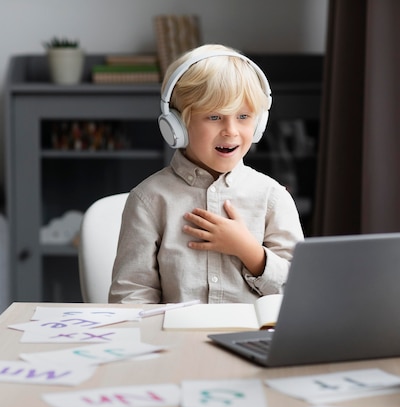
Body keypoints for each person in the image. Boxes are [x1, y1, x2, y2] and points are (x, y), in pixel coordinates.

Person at [108, 44, 304, 304]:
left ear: (259, 124)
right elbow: (131, 295)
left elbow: (298, 291)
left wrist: (249, 250)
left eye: (243, 116)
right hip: (173, 342)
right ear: (178, 126)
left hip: (251, 341)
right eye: (214, 117)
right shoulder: (148, 200)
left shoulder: (273, 199)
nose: (231, 130)